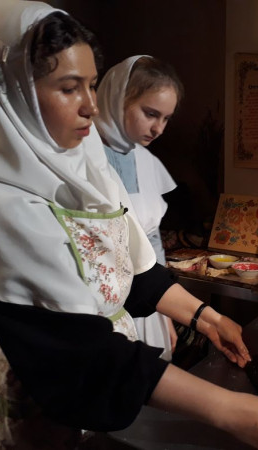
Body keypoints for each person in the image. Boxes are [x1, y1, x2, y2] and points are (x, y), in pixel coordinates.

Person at [0, 0, 258, 449]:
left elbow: (129, 269)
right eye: (68, 88)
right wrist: (231, 410)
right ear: (8, 92)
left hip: (109, 373)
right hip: (52, 397)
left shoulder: (86, 168)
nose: (90, 106)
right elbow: (80, 354)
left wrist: (207, 317)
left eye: (92, 85)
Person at [95, 56, 182, 360]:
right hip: (102, 305)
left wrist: (165, 313)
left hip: (148, 299)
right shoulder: (84, 155)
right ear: (118, 98)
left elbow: (153, 241)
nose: (159, 129)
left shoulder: (147, 161)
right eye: (150, 114)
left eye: (166, 118)